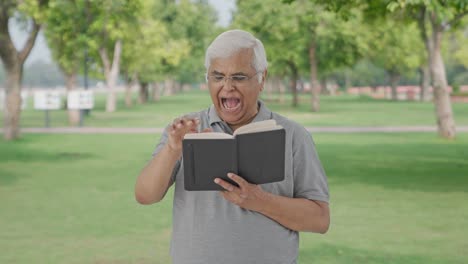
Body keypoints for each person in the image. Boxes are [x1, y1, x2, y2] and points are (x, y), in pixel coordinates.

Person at [135, 29, 330, 264]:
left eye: (239, 77)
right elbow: (145, 195)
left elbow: (319, 220)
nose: (227, 87)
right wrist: (172, 149)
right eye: (217, 77)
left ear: (262, 79)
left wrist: (259, 201)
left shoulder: (294, 136)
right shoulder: (184, 130)